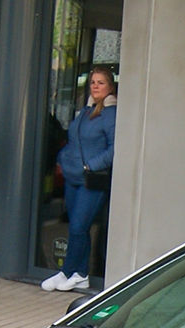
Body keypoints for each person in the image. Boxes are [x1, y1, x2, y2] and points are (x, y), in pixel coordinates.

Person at [42, 66, 117, 293]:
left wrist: (90, 166)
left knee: (78, 226)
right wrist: (63, 160)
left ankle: (75, 272)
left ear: (110, 87)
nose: (95, 86)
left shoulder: (111, 115)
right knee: (77, 229)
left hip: (91, 179)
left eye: (100, 83)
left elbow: (115, 148)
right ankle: (75, 273)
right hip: (73, 177)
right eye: (93, 82)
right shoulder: (85, 111)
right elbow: (72, 140)